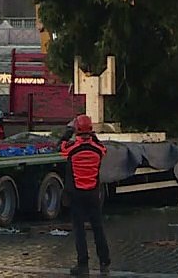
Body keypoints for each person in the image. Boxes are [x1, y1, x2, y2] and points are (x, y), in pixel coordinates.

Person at [61, 115, 110, 275]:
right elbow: (103, 148)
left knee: (79, 229)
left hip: (77, 194)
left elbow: (62, 149)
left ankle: (83, 263)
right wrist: (94, 137)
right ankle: (104, 258)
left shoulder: (72, 150)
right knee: (98, 227)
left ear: (76, 130)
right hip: (93, 193)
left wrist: (66, 135)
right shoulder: (98, 151)